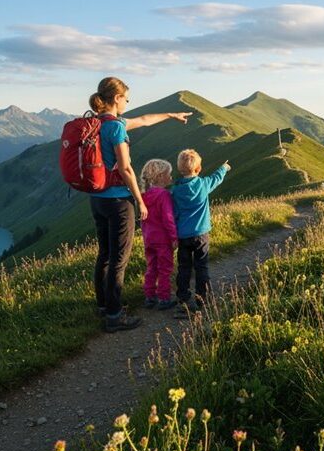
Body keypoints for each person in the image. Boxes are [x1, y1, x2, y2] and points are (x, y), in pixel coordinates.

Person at [88, 77, 192, 332]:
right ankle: (114, 315)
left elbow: (144, 119)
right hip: (117, 201)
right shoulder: (116, 128)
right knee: (118, 259)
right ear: (116, 98)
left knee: (104, 254)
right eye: (126, 98)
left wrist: (170, 114)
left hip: (96, 199)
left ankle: (103, 305)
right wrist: (138, 198)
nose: (128, 103)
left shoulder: (96, 123)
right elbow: (125, 167)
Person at [170, 149, 230, 318]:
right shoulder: (203, 184)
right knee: (201, 266)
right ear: (198, 169)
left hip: (183, 236)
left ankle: (182, 298)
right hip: (201, 234)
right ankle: (202, 299)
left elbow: (174, 214)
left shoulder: (175, 191)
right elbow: (216, 178)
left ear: (180, 170)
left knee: (184, 267)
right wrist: (224, 167)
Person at [139, 159, 178, 311]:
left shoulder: (144, 196)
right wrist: (174, 238)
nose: (171, 177)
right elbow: (168, 218)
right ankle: (164, 298)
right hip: (163, 240)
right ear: (160, 176)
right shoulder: (164, 195)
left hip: (149, 239)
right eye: (168, 174)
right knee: (165, 269)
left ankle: (149, 296)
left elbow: (143, 221)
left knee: (151, 268)